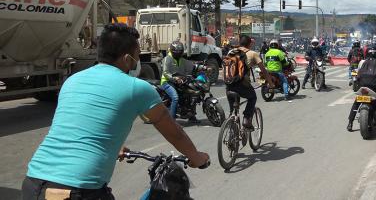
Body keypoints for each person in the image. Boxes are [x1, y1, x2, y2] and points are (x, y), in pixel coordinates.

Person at [22, 23, 209, 200]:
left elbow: (81, 123)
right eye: (137, 56)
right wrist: (196, 157)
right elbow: (174, 132)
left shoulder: (72, 80)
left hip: (34, 183)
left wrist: (116, 147)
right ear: (127, 58)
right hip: (81, 190)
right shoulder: (138, 87)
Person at [226, 35, 273, 130]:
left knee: (233, 111)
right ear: (249, 44)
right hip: (242, 85)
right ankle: (247, 119)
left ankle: (232, 130)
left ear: (239, 43)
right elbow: (264, 71)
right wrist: (271, 84)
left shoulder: (231, 52)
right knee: (252, 97)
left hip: (229, 85)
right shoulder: (252, 54)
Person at [160, 41, 199, 123]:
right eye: (177, 52)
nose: (178, 54)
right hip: (167, 82)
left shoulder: (182, 60)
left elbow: (192, 66)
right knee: (175, 97)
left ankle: (191, 116)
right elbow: (165, 72)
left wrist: (204, 67)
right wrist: (175, 79)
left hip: (180, 82)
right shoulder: (167, 59)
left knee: (192, 94)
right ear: (172, 51)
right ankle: (171, 121)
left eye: (180, 52)